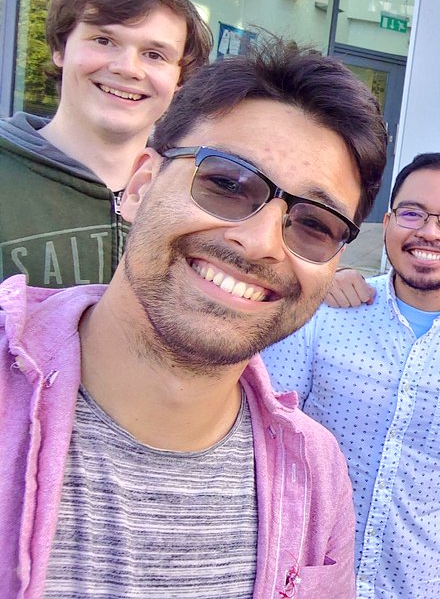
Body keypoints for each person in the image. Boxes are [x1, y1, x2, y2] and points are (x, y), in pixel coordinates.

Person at [0, 40, 389, 598]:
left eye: (314, 224)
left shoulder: (316, 471)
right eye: (227, 184)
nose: (260, 244)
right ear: (139, 187)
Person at [262, 153, 440, 599]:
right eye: (412, 213)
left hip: (423, 586)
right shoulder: (323, 317)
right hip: (300, 581)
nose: (429, 232)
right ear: (387, 221)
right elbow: (266, 445)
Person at [0, 0, 213, 286]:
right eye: (104, 40)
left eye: (154, 55)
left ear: (179, 80)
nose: (127, 68)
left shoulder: (198, 199)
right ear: (61, 48)